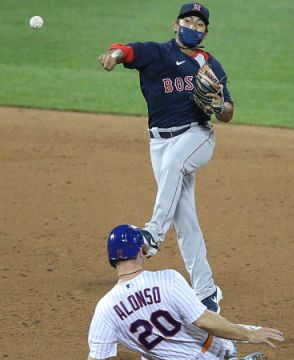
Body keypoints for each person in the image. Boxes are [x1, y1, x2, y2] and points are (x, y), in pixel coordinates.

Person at [97, 2, 233, 314]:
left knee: (175, 163)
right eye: (188, 22)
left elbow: (228, 112)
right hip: (158, 142)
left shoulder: (209, 65)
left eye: (200, 25)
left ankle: (153, 235)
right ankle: (207, 291)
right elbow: (126, 50)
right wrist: (113, 57)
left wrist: (217, 104)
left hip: (197, 136)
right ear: (175, 25)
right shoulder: (157, 54)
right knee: (185, 220)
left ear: (206, 32)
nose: (193, 28)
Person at [87, 225, 284, 360]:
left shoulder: (104, 310)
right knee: (223, 334)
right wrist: (249, 335)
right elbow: (204, 320)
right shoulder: (168, 279)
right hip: (212, 351)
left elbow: (96, 357)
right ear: (140, 251)